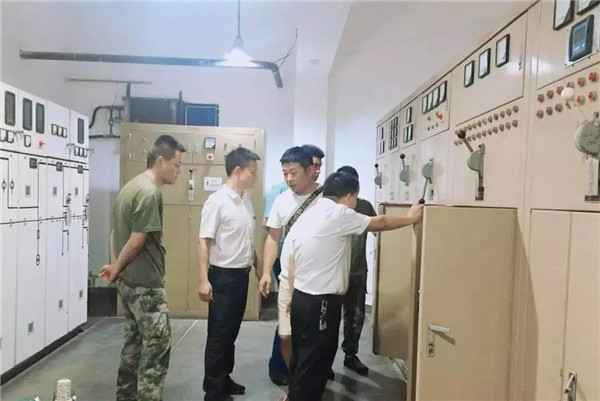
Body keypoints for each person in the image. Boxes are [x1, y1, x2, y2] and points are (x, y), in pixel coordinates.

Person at [285, 171, 424, 401]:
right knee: (315, 361)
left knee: (302, 355)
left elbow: (293, 259)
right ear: (350, 196)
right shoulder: (339, 213)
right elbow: (380, 222)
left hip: (302, 297)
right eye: (355, 199)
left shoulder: (310, 213)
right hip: (321, 302)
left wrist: (292, 294)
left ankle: (293, 395)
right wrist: (411, 218)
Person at [98, 134, 185, 401]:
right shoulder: (149, 193)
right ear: (160, 161)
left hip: (129, 282)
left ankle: (125, 396)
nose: (179, 171)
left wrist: (116, 266)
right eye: (176, 165)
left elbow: (115, 232)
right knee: (157, 347)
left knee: (134, 343)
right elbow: (137, 240)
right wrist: (116, 267)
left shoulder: (131, 187)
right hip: (146, 285)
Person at [198, 146, 261, 401]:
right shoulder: (217, 202)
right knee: (219, 334)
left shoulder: (245, 200)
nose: (255, 176)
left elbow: (247, 240)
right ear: (237, 170)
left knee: (231, 332)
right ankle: (213, 391)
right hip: (223, 277)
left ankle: (224, 378)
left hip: (241, 276)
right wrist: (203, 280)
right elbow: (204, 241)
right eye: (252, 171)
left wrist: (258, 266)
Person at [260, 146, 323, 382]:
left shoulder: (327, 199)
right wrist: (266, 272)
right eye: (285, 173)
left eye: (293, 173)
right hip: (288, 277)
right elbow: (272, 238)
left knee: (312, 337)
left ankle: (308, 382)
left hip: (318, 280)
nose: (289, 179)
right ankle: (296, 379)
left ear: (310, 170)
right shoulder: (281, 200)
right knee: (285, 336)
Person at [336, 166, 377, 375]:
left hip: (357, 272)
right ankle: (324, 362)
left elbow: (380, 230)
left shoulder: (365, 206)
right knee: (329, 319)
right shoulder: (331, 208)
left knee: (356, 317)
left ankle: (350, 355)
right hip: (334, 273)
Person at [263, 181, 290, 386]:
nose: (316, 170)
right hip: (283, 258)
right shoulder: (280, 191)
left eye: (318, 167)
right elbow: (268, 223)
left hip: (305, 261)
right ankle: (278, 365)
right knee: (286, 312)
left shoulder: (317, 191)